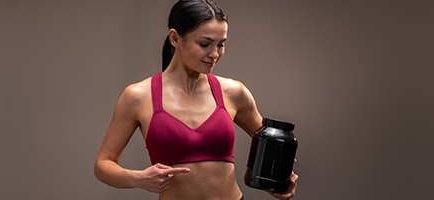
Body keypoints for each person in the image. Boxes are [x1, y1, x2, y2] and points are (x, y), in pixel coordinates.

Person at [94, 1, 298, 199]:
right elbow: (103, 164)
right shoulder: (138, 96)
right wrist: (137, 179)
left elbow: (272, 144)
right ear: (175, 38)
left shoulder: (234, 92)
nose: (215, 54)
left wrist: (280, 178)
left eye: (221, 44)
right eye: (204, 44)